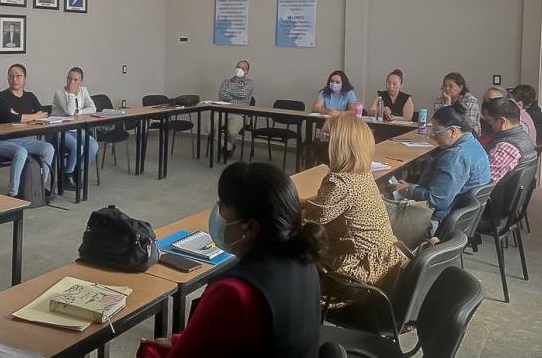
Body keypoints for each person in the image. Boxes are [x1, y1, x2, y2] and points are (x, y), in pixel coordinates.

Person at [138, 162, 326, 358]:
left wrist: (151, 351)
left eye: (225, 216)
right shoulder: (305, 259)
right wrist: (181, 341)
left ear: (250, 228)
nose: (219, 222)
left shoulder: (234, 292)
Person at [304, 114, 403, 292]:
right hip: (382, 266)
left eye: (325, 137)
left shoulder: (340, 183)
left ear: (341, 145)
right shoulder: (361, 175)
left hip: (355, 277)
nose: (319, 140)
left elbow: (309, 222)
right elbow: (320, 207)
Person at [395, 103, 490, 230]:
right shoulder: (473, 144)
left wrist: (409, 189)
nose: (431, 135)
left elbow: (438, 200)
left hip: (437, 221)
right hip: (459, 221)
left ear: (452, 131)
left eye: (436, 131)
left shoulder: (455, 158)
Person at [0, 64, 54, 197]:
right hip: (2, 141)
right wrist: (29, 116)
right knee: (21, 152)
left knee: (48, 148)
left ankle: (38, 187)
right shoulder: (2, 96)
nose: (15, 79)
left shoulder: (30, 96)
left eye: (18, 76)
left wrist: (20, 116)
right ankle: (13, 193)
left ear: (25, 78)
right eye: (11, 76)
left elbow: (43, 114)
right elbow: (10, 118)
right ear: (8, 79)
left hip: (23, 140)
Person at [51, 67, 99, 190]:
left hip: (75, 129)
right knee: (78, 147)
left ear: (81, 82)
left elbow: (92, 108)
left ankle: (78, 170)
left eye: (75, 80)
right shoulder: (59, 93)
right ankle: (67, 174)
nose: (71, 82)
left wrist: (80, 111)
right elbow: (70, 111)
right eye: (69, 79)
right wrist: (71, 94)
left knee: (93, 146)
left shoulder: (83, 91)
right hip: (59, 129)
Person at [481, 97, 537, 183]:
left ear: (502, 121)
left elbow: (484, 181)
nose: (488, 126)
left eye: (490, 122)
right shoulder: (525, 138)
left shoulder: (506, 148)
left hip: (495, 195)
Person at [217, 60, 254, 157]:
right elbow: (221, 95)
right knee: (210, 129)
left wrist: (228, 91)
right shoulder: (226, 81)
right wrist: (235, 94)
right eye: (238, 67)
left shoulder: (249, 83)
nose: (239, 70)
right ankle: (228, 145)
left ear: (247, 71)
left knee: (232, 132)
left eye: (243, 68)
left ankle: (227, 146)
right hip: (223, 111)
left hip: (239, 113)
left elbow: (243, 94)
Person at [432, 72, 481, 137]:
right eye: (445, 86)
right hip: (446, 135)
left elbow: (467, 125)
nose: (447, 89)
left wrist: (448, 107)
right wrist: (447, 102)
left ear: (460, 88)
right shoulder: (439, 101)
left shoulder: (470, 100)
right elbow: (439, 123)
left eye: (451, 86)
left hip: (469, 135)